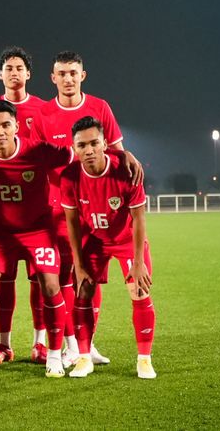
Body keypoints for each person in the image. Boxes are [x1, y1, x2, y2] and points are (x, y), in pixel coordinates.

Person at [0, 100, 73, 379]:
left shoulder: (39, 150)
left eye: (6, 125)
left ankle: (54, 356)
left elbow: (76, 155)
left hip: (39, 230)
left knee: (51, 283)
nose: (0, 131)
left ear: (17, 126)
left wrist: (122, 155)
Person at [31, 50, 135, 368]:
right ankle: (68, 344)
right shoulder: (43, 116)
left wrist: (130, 158)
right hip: (59, 210)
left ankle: (86, 345)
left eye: (73, 73)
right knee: (64, 277)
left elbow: (116, 153)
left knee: (91, 277)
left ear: (82, 75)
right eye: (61, 73)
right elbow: (36, 163)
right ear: (53, 78)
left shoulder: (99, 107)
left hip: (98, 209)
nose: (67, 78)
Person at [60, 116, 156, 379]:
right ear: (74, 147)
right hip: (94, 241)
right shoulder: (69, 177)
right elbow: (72, 225)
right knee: (83, 291)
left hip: (126, 241)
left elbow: (139, 219)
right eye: (82, 145)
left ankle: (144, 359)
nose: (89, 150)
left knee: (139, 291)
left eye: (94, 143)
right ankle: (83, 357)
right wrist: (79, 267)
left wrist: (137, 263)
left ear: (105, 143)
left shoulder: (125, 171)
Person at [0, 46, 48, 365]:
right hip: (2, 215)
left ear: (28, 74)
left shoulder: (43, 109)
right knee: (1, 279)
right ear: (1, 74)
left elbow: (51, 156)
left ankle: (40, 343)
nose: (14, 73)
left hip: (39, 215)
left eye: (19, 67)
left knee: (41, 279)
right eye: (8, 68)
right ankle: (3, 344)